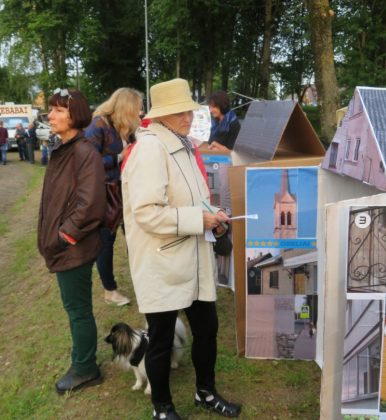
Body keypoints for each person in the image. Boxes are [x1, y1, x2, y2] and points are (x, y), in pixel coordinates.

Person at [122, 78, 241, 420]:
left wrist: (213, 215)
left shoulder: (183, 144)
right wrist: (198, 219)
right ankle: (162, 409)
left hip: (193, 256)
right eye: (180, 112)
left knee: (207, 330)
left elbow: (194, 197)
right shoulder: (150, 149)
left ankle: (205, 392)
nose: (188, 116)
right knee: (161, 340)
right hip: (163, 262)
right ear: (161, 115)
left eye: (189, 109)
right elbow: (147, 213)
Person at [37, 88, 106, 394]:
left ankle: (85, 368)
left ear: (74, 115)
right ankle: (83, 362)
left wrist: (63, 237)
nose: (50, 115)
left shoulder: (84, 153)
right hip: (64, 246)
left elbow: (90, 206)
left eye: (58, 110)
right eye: (51, 109)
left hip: (73, 248)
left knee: (78, 310)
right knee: (74, 308)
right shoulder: (64, 148)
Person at [85, 87, 143, 306]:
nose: (139, 113)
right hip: (106, 194)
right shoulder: (98, 126)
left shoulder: (126, 127)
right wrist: (119, 157)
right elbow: (87, 164)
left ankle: (143, 281)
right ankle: (110, 290)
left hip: (127, 191)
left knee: (136, 238)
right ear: (125, 108)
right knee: (106, 242)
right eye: (137, 108)